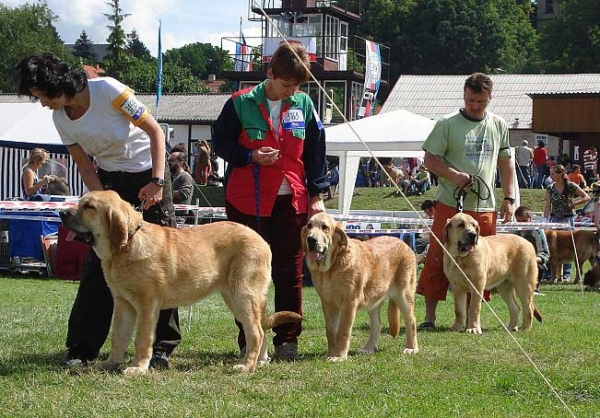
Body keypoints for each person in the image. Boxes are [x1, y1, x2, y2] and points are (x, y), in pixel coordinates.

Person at [16, 53, 181, 369]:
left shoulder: (108, 90)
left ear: (60, 84)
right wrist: (99, 202)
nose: (44, 104)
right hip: (108, 184)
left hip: (150, 175)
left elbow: (155, 132)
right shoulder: (60, 119)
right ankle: (81, 348)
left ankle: (162, 347)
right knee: (98, 267)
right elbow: (84, 167)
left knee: (160, 262)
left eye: (44, 96)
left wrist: (157, 181)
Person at [212, 42, 329, 360]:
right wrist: (249, 155)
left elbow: (316, 150)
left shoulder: (304, 104)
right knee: (244, 272)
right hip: (246, 200)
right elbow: (220, 143)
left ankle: (287, 341)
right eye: (286, 84)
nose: (291, 91)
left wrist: (316, 194)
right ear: (270, 74)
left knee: (288, 272)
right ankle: (250, 340)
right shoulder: (239, 103)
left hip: (291, 199)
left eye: (297, 86)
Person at [416, 72, 515, 331]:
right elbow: (430, 160)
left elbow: (506, 163)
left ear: (490, 98)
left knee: (481, 264)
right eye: (471, 100)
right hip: (450, 204)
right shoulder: (447, 123)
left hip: (484, 207)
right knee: (438, 259)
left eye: (481, 101)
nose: (475, 106)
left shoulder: (499, 124)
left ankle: (472, 320)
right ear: (464, 95)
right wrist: (455, 175)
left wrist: (510, 197)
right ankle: (429, 317)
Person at [543, 164, 590, 282]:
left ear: (560, 174)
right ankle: (552, 275)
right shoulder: (550, 188)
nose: (551, 176)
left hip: (568, 219)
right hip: (554, 219)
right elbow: (548, 206)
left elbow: (586, 197)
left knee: (570, 247)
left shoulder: (570, 186)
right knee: (552, 249)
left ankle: (566, 275)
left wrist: (574, 203)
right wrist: (545, 220)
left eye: (553, 173)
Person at [514, 205, 549, 296]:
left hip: (533, 262)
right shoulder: (514, 232)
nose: (522, 224)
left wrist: (529, 260)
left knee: (538, 266)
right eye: (519, 221)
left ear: (530, 219)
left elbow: (544, 254)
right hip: (516, 263)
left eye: (524, 221)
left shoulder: (537, 232)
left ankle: (535, 288)